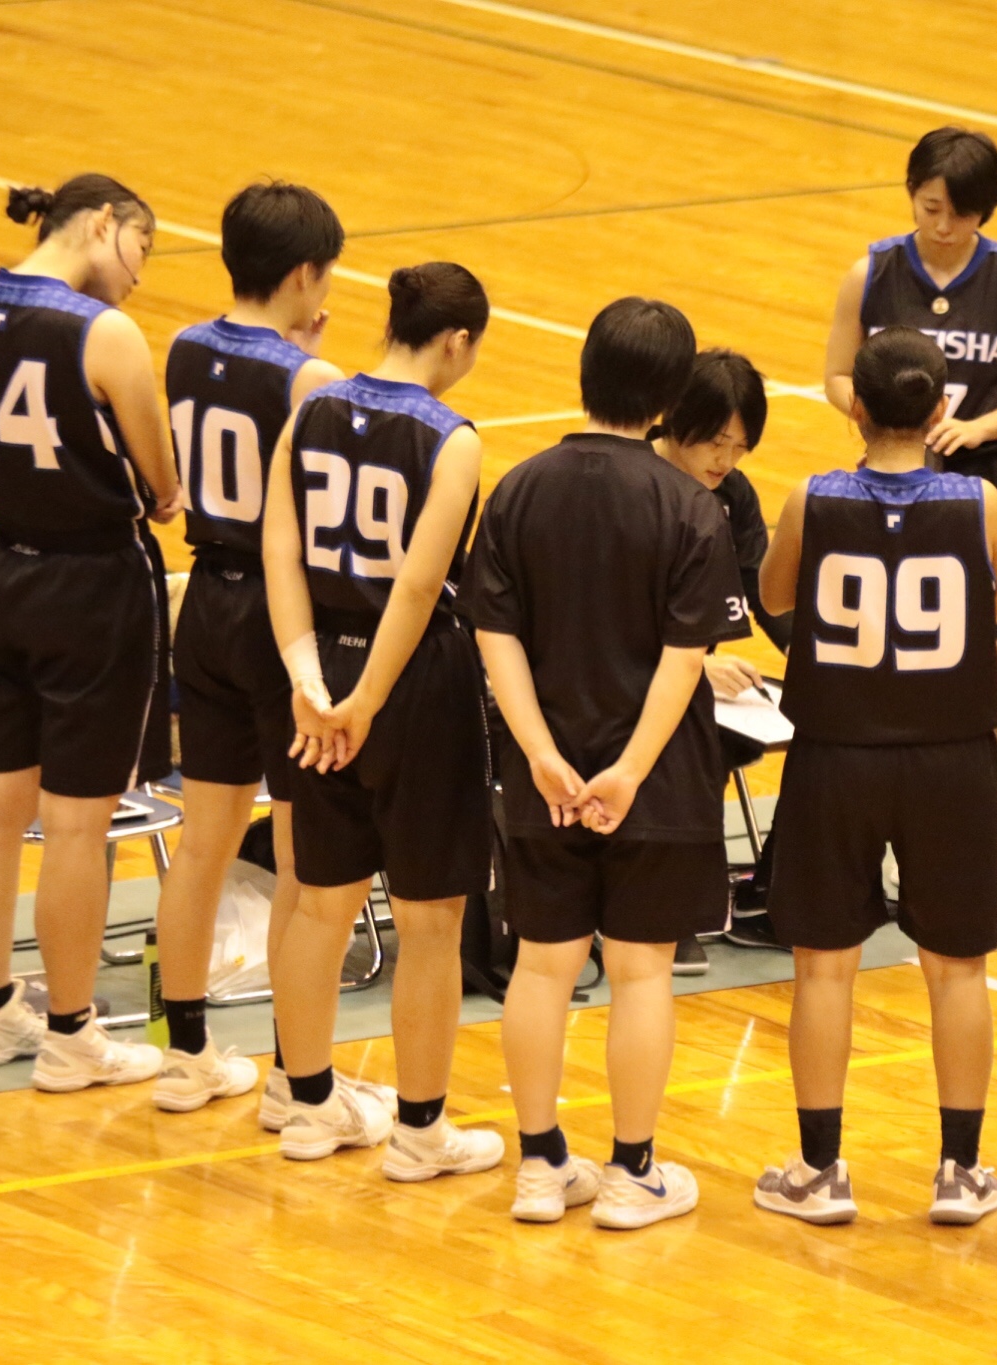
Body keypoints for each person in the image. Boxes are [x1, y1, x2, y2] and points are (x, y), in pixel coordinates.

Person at [465, 299, 747, 1231]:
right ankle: (631, 1174)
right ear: (668, 398)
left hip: (541, 780)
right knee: (641, 971)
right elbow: (683, 658)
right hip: (655, 782)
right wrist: (626, 772)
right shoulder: (689, 506)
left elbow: (495, 637)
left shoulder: (518, 489)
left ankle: (540, 1167)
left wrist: (541, 754)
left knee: (541, 966)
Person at [753, 327, 997, 1227]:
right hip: (951, 756)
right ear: (942, 407)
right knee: (957, 968)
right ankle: (961, 1171)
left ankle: (818, 1170)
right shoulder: (979, 500)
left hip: (837, 753)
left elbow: (774, 595)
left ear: (856, 407)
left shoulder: (812, 497)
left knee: (824, 967)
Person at [261, 262, 502, 1182]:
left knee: (320, 899)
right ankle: (421, 1133)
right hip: (413, 682)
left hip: (317, 667)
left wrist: (308, 680)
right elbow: (419, 584)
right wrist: (366, 700)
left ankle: (308, 1105)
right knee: (430, 917)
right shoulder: (452, 437)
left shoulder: (310, 407)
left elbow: (279, 549)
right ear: (456, 341)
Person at [0, 176, 178, 1088]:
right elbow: (162, 486)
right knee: (78, 823)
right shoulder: (104, 333)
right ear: (104, 223)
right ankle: (74, 1035)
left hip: (4, 567)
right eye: (142, 248)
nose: (141, 274)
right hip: (93, 582)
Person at [825, 128, 997, 894]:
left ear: (984, 211)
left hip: (979, 485)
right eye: (930, 207)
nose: (941, 225)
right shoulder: (871, 271)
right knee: (887, 657)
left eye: (959, 213)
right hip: (887, 482)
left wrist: (979, 427)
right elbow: (836, 374)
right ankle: (892, 822)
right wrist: (883, 418)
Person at [152, 182, 346, 1117]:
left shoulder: (185, 346)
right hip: (280, 618)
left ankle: (184, 1053)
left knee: (203, 844)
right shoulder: (313, 379)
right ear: (306, 272)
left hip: (204, 604)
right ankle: (293, 1074)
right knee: (303, 859)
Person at [651, 348, 784, 971]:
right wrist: (694, 666)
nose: (725, 461)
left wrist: (821, 659)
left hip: (696, 679)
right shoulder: (630, 484)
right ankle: (671, 911)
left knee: (832, 724)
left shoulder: (732, 493)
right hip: (628, 680)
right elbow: (597, 616)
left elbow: (764, 592)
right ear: (676, 419)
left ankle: (777, 893)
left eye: (740, 448)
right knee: (691, 732)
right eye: (715, 443)